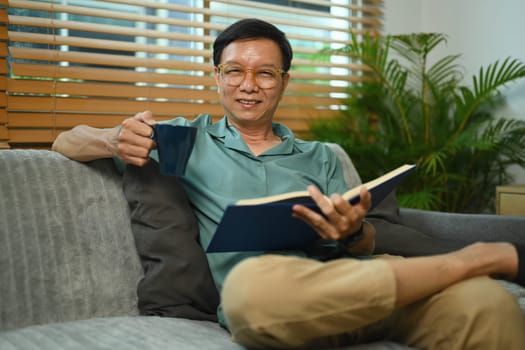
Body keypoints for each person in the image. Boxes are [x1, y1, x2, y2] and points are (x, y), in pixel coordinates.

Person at [52, 18, 525, 349]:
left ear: (284, 81)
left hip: (352, 284)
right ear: (217, 77)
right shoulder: (182, 138)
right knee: (250, 290)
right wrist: (112, 139)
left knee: (485, 305)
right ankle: (474, 260)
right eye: (234, 71)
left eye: (265, 73)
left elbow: (359, 244)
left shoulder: (321, 156)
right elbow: (64, 142)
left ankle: (469, 273)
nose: (248, 84)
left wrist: (353, 233)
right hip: (272, 301)